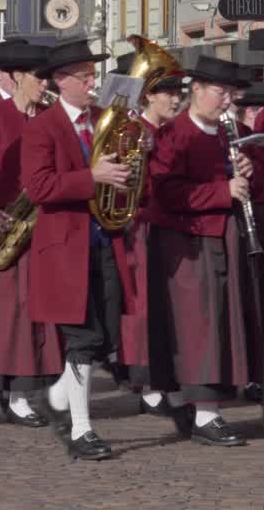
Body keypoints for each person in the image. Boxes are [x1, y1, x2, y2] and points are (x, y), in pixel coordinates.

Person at [21, 38, 128, 460]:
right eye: (84, 75)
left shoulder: (104, 118)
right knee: (82, 339)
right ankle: (82, 430)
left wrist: (132, 165)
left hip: (105, 240)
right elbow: (39, 187)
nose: (91, 81)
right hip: (66, 246)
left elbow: (123, 173)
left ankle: (60, 394)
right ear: (61, 81)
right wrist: (92, 176)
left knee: (106, 338)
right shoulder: (42, 127)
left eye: (91, 74)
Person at [146, 54, 260, 448]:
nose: (226, 100)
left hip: (225, 236)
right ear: (196, 90)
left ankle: (193, 405)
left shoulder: (232, 130)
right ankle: (205, 412)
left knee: (222, 320)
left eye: (231, 93)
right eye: (219, 92)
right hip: (187, 240)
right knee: (198, 325)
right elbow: (165, 191)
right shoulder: (173, 135)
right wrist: (221, 191)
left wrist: (246, 170)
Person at [0, 42, 64, 426]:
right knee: (9, 314)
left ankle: (33, 385)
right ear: (18, 76)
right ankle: (14, 392)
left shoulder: (52, 116)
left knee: (42, 311)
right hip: (4, 227)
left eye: (48, 76)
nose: (45, 83)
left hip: (45, 225)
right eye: (40, 76)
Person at [108, 53, 184, 421]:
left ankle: (162, 379)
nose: (175, 99)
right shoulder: (134, 132)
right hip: (139, 226)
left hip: (168, 225)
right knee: (141, 304)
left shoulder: (169, 132)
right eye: (166, 92)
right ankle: (147, 382)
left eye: (176, 92)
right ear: (148, 96)